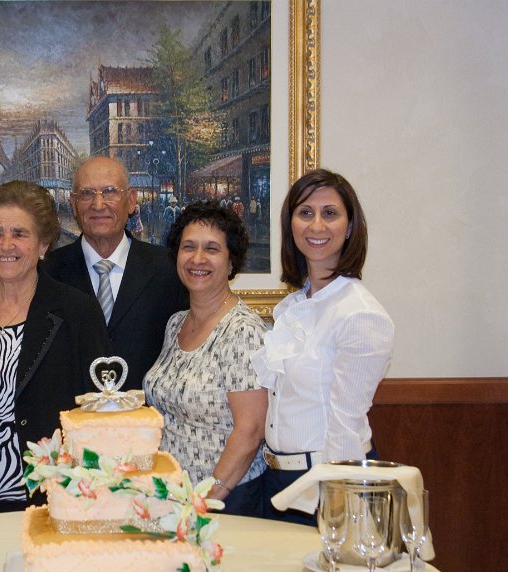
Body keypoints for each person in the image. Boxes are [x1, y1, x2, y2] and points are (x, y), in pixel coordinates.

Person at [252, 169, 395, 525]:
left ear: (349, 227)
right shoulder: (294, 306)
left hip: (328, 483)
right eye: (305, 213)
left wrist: (341, 508)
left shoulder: (359, 313)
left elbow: (346, 425)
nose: (316, 225)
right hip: (278, 481)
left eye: (329, 213)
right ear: (291, 225)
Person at [0, 181, 110, 515]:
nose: (6, 245)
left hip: (56, 494)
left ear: (43, 244)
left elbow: (100, 409)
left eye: (20, 234)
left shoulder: (77, 311)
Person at [143, 202, 267, 516]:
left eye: (212, 249)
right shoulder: (176, 324)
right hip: (174, 497)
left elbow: (251, 431)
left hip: (224, 502)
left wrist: (208, 499)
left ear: (231, 262)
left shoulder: (243, 332)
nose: (198, 259)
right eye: (189, 247)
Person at [44, 156, 186, 390]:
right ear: (73, 204)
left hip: (146, 411)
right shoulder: (47, 273)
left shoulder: (169, 270)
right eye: (87, 194)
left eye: (109, 192)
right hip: (71, 412)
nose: (98, 204)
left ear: (131, 201)